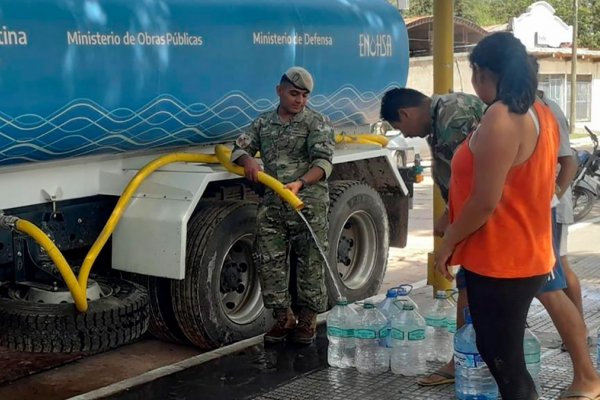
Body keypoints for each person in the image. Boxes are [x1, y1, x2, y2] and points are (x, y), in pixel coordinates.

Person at [435, 32, 558, 399]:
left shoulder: (502, 117)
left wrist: (448, 243)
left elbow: (485, 201)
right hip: (524, 254)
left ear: (482, 72)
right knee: (506, 362)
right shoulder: (540, 113)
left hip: (501, 259)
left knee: (506, 366)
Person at [379, 88, 485, 386]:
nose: (406, 135)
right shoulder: (439, 117)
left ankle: (463, 363)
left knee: (473, 284)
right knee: (481, 287)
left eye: (401, 128)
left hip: (490, 217)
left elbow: (476, 182)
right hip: (479, 214)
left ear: (405, 114)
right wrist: (448, 214)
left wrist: (452, 237)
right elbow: (457, 177)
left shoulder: (452, 117)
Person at [230, 66, 335, 345]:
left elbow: (323, 163)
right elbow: (239, 148)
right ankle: (283, 317)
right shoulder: (264, 123)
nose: (299, 100)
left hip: (306, 204)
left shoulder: (316, 122)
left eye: (304, 95)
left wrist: (300, 183)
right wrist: (248, 160)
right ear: (279, 91)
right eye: (293, 93)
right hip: (274, 204)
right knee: (269, 261)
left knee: (310, 262)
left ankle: (307, 321)